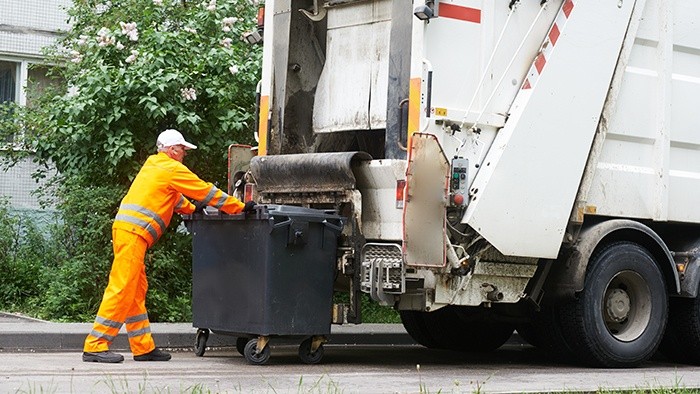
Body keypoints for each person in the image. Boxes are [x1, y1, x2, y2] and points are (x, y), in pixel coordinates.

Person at [82, 129, 255, 363]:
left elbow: (173, 197)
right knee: (122, 287)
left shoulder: (155, 166)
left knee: (135, 290)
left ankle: (142, 347)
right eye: (182, 149)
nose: (184, 154)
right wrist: (239, 207)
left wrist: (193, 210)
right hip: (132, 234)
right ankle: (95, 345)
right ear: (173, 150)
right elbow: (204, 190)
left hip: (129, 233)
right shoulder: (170, 168)